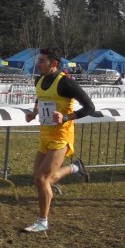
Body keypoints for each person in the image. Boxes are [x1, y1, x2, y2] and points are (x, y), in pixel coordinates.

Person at [22, 47, 95, 233]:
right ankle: (75, 167)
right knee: (42, 179)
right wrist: (34, 113)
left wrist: (66, 117)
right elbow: (41, 100)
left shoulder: (66, 83)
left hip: (62, 137)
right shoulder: (38, 80)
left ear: (54, 63)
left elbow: (90, 107)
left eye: (42, 61)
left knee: (42, 178)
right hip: (45, 135)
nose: (38, 64)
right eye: (38, 60)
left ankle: (42, 221)